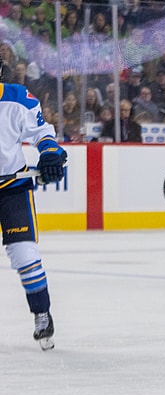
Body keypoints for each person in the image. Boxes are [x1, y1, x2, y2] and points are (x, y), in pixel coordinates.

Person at [0, 59, 67, 349]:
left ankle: (42, 313)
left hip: (11, 186)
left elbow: (42, 133)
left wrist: (50, 153)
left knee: (24, 253)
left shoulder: (16, 97)